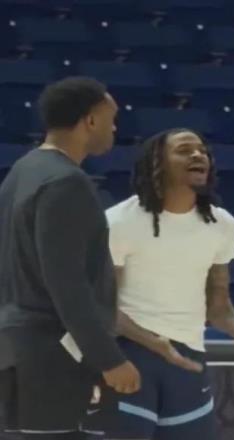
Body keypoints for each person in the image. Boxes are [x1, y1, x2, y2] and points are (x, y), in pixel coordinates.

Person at [85, 128, 234, 440]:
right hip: (129, 355)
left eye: (202, 151)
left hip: (188, 359)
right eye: (185, 150)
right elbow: (103, 306)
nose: (198, 155)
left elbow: (218, 305)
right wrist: (153, 343)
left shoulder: (222, 224)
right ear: (157, 163)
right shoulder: (119, 221)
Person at [0, 77, 140, 440]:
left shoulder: (20, 173)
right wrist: (108, 358)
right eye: (111, 119)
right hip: (53, 357)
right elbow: (67, 283)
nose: (114, 128)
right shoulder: (67, 181)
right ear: (90, 120)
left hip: (14, 349)